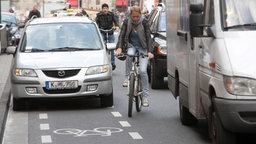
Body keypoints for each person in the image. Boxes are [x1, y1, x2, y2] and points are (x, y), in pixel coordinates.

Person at [115, 6, 154, 107]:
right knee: (130, 54)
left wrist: (149, 51)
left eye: (137, 16)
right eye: (133, 17)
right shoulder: (127, 22)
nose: (135, 18)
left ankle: (145, 97)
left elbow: (148, 37)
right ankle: (127, 77)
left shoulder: (145, 22)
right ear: (130, 15)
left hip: (143, 48)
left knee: (143, 71)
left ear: (140, 15)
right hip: (131, 46)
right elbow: (122, 35)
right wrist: (119, 48)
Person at [95, 3, 119, 70]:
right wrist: (96, 28)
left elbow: (116, 21)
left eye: (106, 8)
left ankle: (113, 63)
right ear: (102, 9)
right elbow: (96, 22)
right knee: (101, 44)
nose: (105, 9)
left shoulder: (111, 14)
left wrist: (117, 26)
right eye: (104, 8)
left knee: (112, 48)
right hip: (102, 31)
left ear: (108, 9)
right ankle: (101, 62)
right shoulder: (99, 15)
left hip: (110, 31)